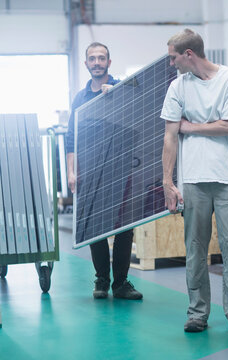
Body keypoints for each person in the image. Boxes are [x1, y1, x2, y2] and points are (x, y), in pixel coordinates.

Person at [161, 29, 228, 335]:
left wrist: (191, 125)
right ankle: (197, 313)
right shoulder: (177, 87)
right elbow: (170, 136)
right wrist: (167, 182)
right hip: (193, 181)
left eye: (173, 56)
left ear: (189, 54)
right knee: (195, 250)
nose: (171, 63)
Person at [66, 42, 143, 300]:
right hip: (90, 171)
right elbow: (71, 138)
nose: (97, 62)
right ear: (86, 63)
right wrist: (71, 171)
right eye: (92, 58)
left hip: (121, 169)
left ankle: (121, 283)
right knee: (93, 225)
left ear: (109, 62)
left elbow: (141, 112)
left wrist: (119, 96)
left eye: (101, 58)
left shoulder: (123, 88)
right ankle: (101, 281)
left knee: (124, 227)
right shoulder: (80, 98)